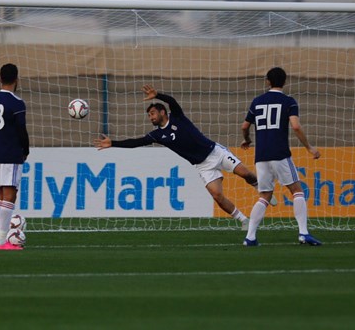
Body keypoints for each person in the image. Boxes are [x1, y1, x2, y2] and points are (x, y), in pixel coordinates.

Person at [93, 84, 257, 230]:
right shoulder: (157, 135)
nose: (151, 117)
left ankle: (261, 190)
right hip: (202, 165)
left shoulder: (177, 116)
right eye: (149, 115)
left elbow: (171, 101)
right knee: (217, 196)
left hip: (215, 152)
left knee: (245, 174)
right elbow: (136, 142)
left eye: (152, 113)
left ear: (162, 112)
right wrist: (113, 143)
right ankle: (244, 220)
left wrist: (157, 95)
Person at [240, 67, 322, 247]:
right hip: (280, 154)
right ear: (284, 82)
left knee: (264, 196)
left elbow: (245, 126)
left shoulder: (257, 101)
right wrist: (309, 147)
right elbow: (296, 126)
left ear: (268, 81)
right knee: (297, 191)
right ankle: (303, 233)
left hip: (261, 155)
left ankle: (250, 237)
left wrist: (247, 140)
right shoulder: (289, 101)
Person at [0, 63, 29, 250]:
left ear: (0, 78)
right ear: (16, 79)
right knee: (10, 195)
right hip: (11, 153)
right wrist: (25, 150)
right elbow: (21, 130)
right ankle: (2, 241)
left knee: (0, 196)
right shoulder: (17, 103)